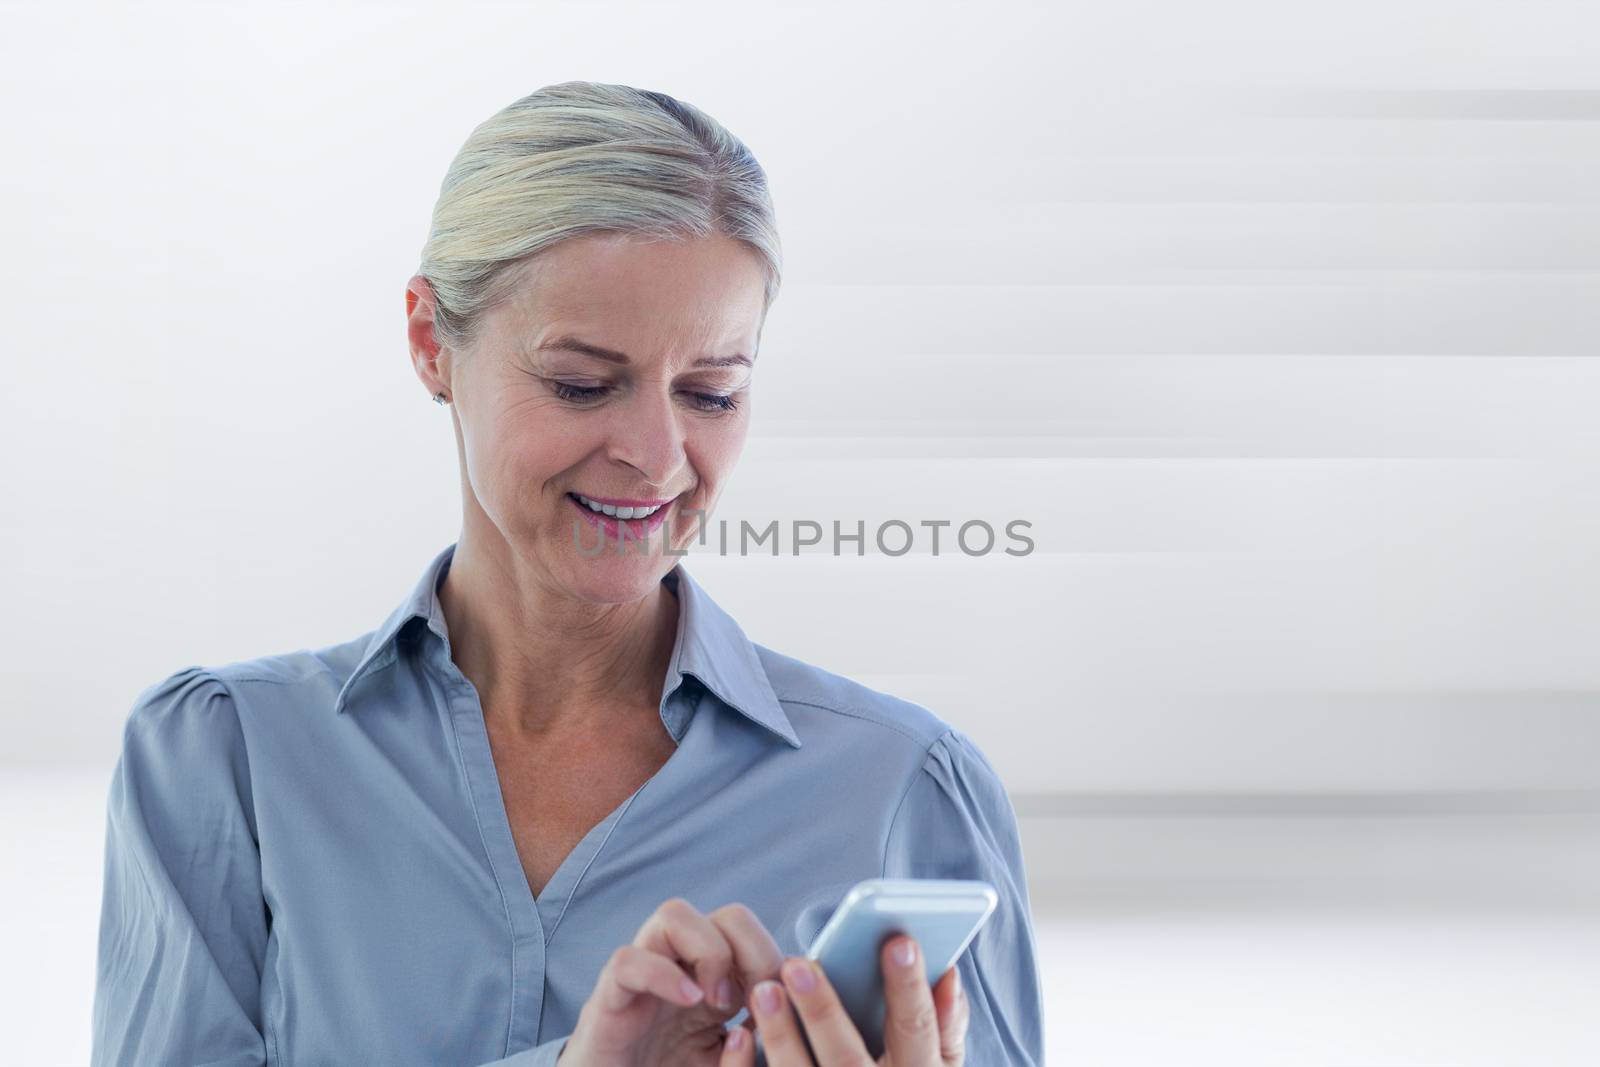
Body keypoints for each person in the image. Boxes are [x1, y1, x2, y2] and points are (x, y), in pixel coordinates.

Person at [91, 81, 1046, 1067]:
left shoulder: (903, 787)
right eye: (583, 382)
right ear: (431, 342)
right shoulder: (227, 757)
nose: (656, 453)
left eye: (711, 391)